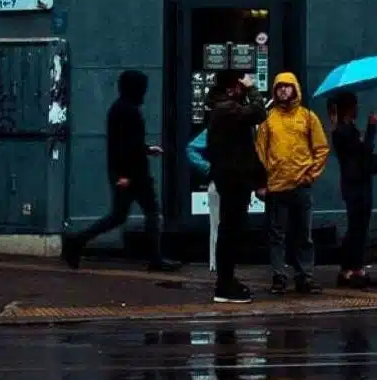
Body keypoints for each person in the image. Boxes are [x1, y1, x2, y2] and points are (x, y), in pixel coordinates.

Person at [62, 70, 179, 272]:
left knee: (120, 216)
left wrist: (146, 150)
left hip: (129, 173)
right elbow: (124, 146)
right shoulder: (128, 111)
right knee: (148, 213)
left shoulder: (119, 108)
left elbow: (125, 144)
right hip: (134, 175)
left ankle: (77, 243)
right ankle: (155, 259)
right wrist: (125, 175)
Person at [254, 71, 329, 293]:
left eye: (287, 86)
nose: (283, 90)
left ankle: (304, 276)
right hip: (276, 187)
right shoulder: (268, 119)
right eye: (279, 87)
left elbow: (321, 148)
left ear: (295, 89)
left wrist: (310, 175)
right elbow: (260, 152)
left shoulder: (307, 117)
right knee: (277, 236)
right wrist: (261, 183)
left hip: (301, 185)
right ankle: (279, 276)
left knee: (303, 235)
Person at [205, 70, 266, 304]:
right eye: (241, 85)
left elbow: (246, 147)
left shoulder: (225, 108)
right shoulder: (226, 109)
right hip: (232, 177)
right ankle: (224, 286)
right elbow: (259, 112)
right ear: (232, 88)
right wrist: (253, 88)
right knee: (230, 231)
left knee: (230, 230)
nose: (244, 89)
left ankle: (227, 280)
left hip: (233, 175)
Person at [329, 90, 377, 288]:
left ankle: (357, 268)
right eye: (355, 105)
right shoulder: (343, 131)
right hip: (355, 184)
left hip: (359, 182)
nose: (358, 108)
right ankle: (348, 270)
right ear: (348, 108)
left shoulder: (347, 128)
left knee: (360, 227)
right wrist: (372, 128)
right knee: (356, 227)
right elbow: (363, 151)